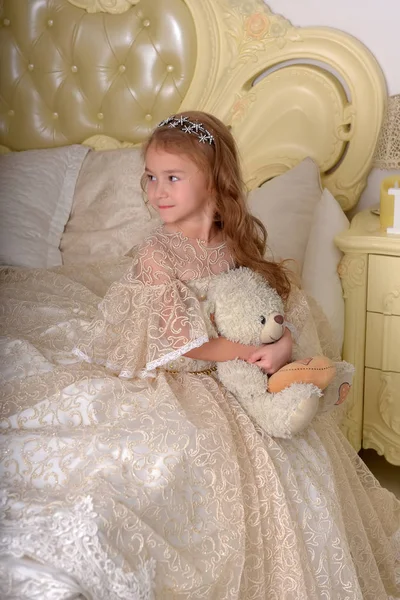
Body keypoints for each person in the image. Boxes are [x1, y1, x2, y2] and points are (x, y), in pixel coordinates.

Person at [1, 111, 399, 599]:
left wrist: (283, 342)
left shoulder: (236, 244)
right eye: (150, 177)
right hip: (181, 365)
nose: (156, 191)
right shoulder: (158, 255)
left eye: (172, 178)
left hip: (236, 363)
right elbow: (184, 344)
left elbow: (272, 305)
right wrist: (255, 350)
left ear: (213, 181)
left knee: (295, 441)